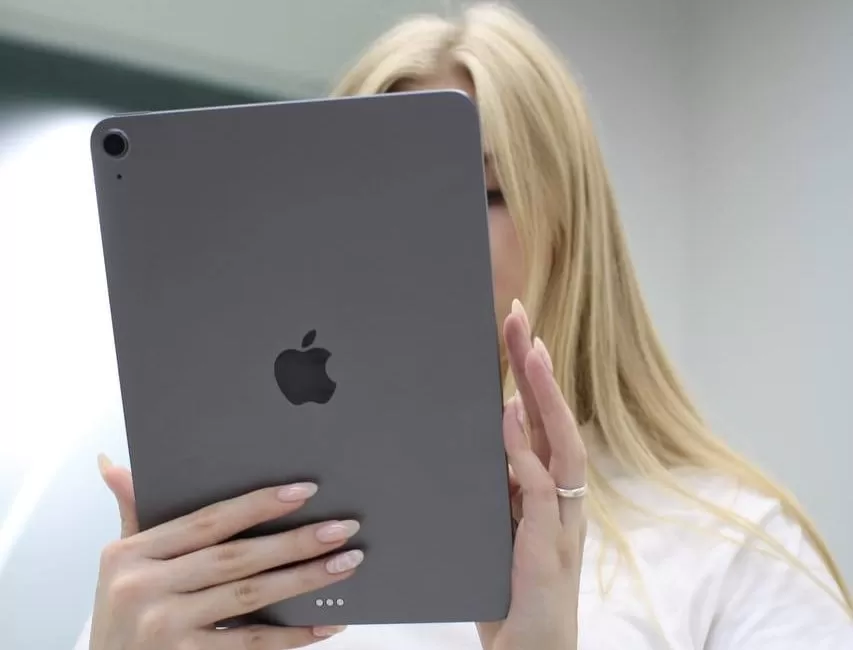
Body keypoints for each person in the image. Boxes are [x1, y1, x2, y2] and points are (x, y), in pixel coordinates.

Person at [86, 3, 852, 649]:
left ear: (570, 226)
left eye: (485, 192)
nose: (412, 240)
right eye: (370, 197)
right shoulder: (211, 570)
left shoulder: (732, 553)